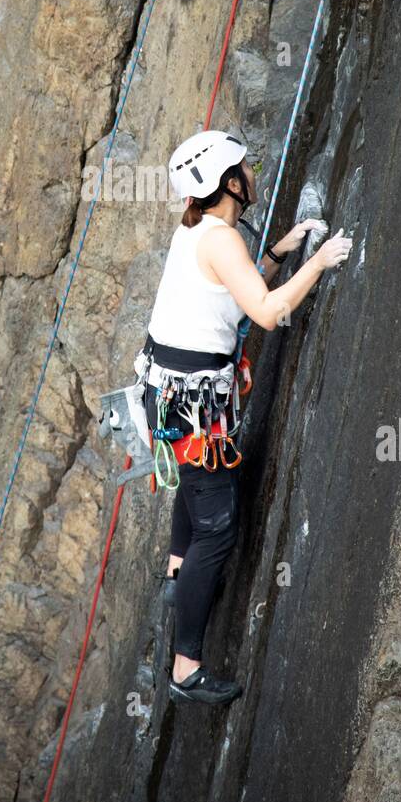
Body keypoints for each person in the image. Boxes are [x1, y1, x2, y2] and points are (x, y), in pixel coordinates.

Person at [141, 130, 352, 705]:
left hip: (170, 394)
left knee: (192, 489)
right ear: (231, 183)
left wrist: (281, 252)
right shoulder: (221, 239)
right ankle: (185, 669)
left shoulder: (200, 232)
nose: (254, 173)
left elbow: (230, 286)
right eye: (246, 167)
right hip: (192, 406)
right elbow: (264, 311)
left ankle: (176, 572)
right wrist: (323, 263)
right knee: (218, 525)